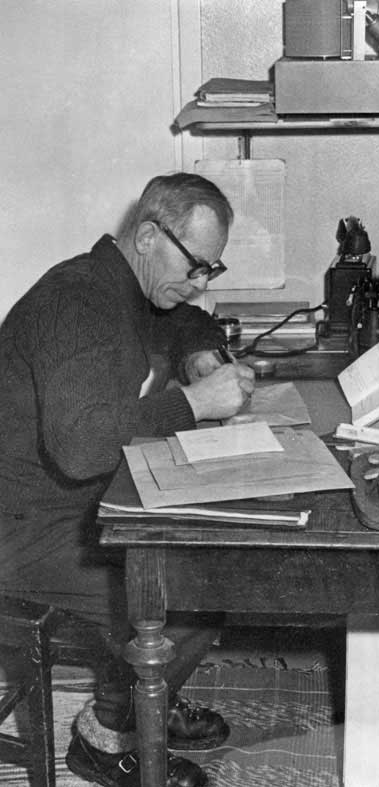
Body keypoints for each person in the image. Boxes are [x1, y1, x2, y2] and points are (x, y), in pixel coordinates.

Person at [0, 173, 255, 787]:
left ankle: (150, 700)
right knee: (188, 592)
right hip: (18, 528)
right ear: (146, 237)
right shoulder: (76, 303)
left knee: (205, 560)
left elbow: (183, 319)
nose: (200, 283)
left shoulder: (123, 287)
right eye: (195, 266)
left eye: (210, 269)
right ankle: (105, 738)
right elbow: (81, 447)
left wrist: (198, 350)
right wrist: (195, 402)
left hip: (63, 505)